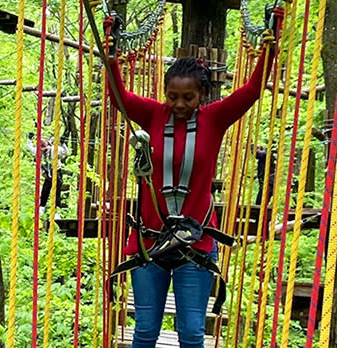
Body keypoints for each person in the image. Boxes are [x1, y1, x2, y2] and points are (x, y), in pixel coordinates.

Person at [106, 8, 282, 348]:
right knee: (144, 332)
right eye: (172, 97)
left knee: (191, 332)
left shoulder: (215, 119)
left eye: (188, 97)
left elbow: (252, 90)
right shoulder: (154, 114)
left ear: (202, 95)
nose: (179, 104)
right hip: (150, 242)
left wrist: (269, 51)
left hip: (196, 243)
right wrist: (112, 59)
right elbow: (121, 98)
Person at [27, 133, 69, 219]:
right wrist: (30, 139)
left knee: (56, 192)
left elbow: (65, 152)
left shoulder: (54, 150)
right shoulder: (38, 151)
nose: (44, 151)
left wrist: (63, 144)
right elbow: (30, 148)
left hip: (56, 172)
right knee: (45, 191)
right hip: (47, 174)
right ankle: (41, 209)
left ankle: (57, 212)